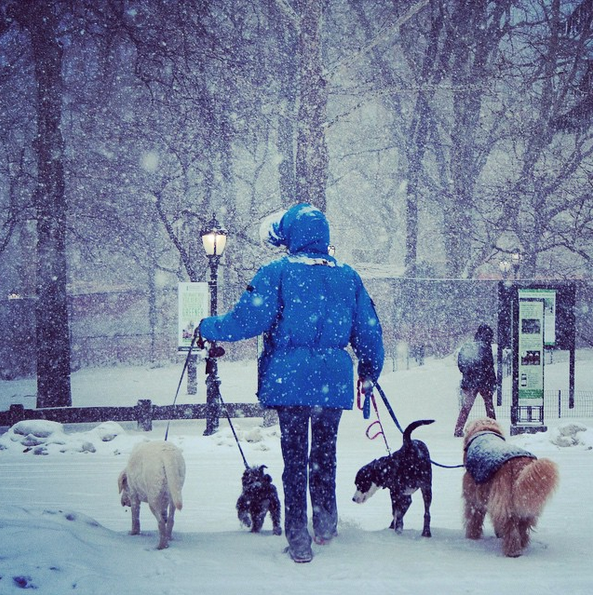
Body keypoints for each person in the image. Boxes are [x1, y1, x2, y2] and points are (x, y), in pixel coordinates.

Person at [199, 203, 384, 563]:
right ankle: (327, 524)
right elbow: (369, 330)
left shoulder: (277, 273)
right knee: (325, 457)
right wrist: (368, 370)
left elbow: (247, 318)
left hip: (291, 381)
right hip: (332, 380)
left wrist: (209, 328)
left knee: (295, 461)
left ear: (292, 236)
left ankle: (299, 536)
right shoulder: (348, 277)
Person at [454, 323, 496, 437]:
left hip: (469, 382)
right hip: (484, 382)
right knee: (489, 405)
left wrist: (468, 374)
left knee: (466, 406)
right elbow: (489, 366)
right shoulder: (486, 347)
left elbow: (461, 364)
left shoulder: (469, 346)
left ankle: (458, 429)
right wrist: (492, 381)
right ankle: (493, 427)